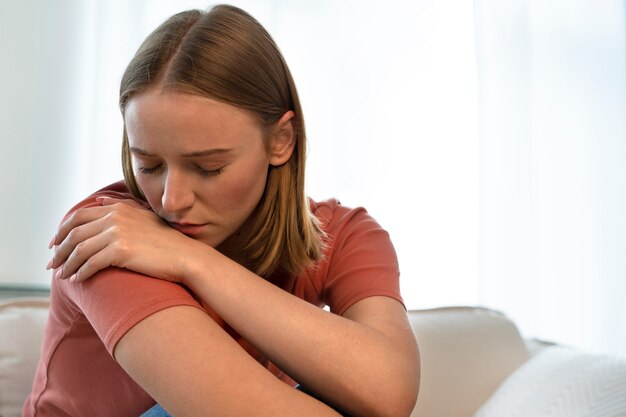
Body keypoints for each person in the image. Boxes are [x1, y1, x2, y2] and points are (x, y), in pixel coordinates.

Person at [23, 4, 419, 417]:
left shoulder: (343, 234)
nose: (171, 201)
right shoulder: (109, 235)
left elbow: (389, 393)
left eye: (208, 167)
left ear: (281, 141)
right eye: (149, 165)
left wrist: (192, 260)